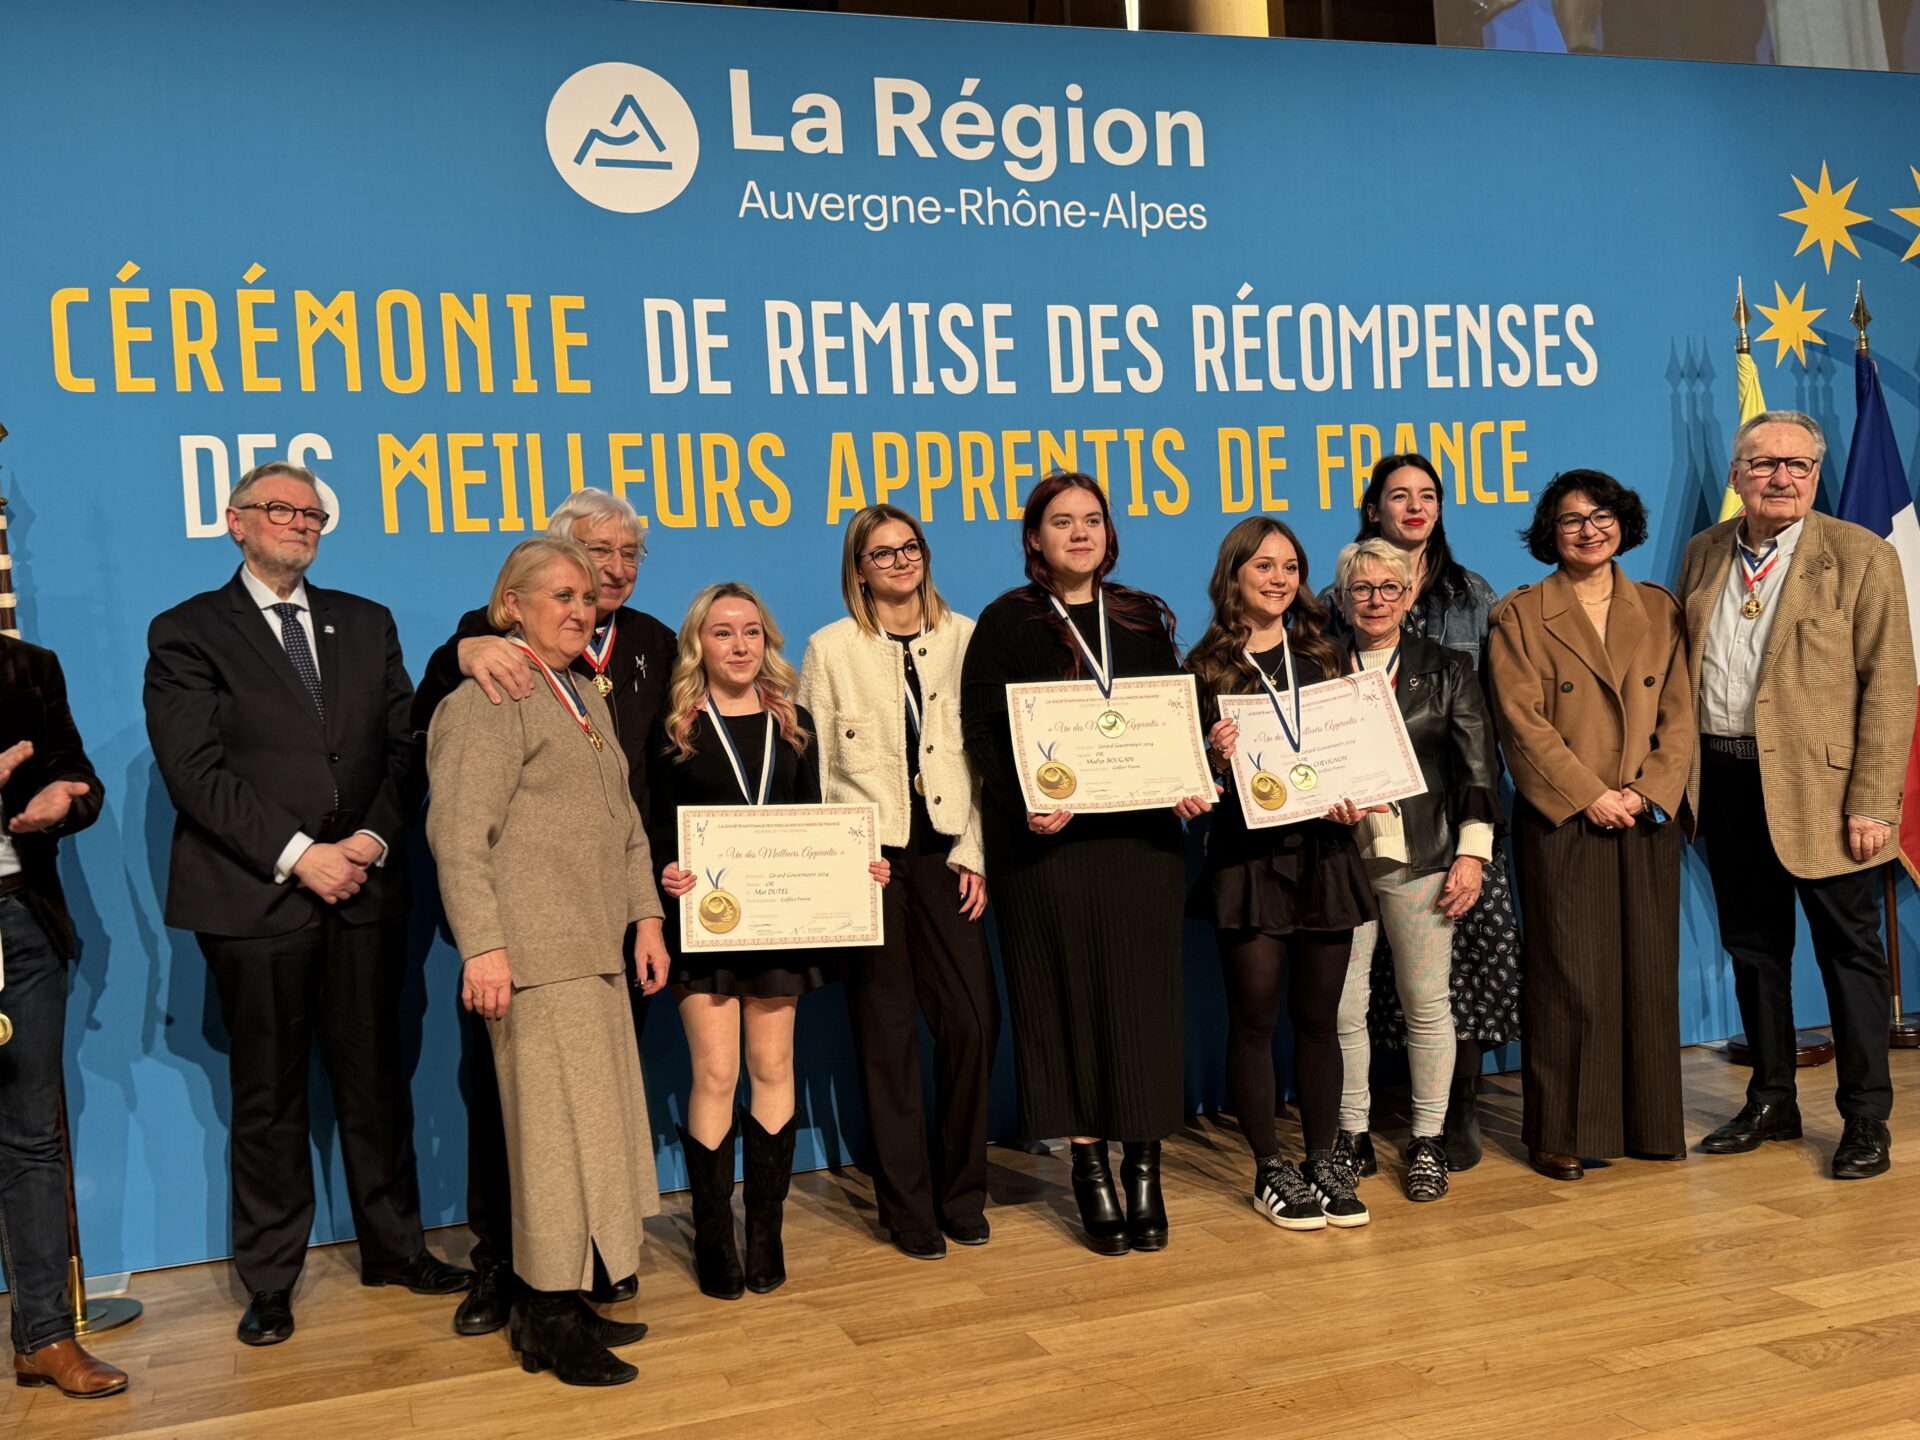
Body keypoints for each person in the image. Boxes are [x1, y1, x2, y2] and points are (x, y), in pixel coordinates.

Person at [144, 462, 469, 1346]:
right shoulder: (187, 632)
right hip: (256, 901)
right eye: (279, 509)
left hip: (366, 891)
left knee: (378, 1086)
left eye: (313, 512)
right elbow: (195, 773)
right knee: (269, 1099)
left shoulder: (366, 622)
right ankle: (273, 1280)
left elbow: (408, 751)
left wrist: (365, 843)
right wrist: (300, 856)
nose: (299, 523)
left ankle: (396, 1249)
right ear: (235, 522)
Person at [411, 488, 673, 1333]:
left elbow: (626, 822)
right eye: (563, 593)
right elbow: (457, 833)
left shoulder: (584, 697)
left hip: (594, 951)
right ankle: (546, 1318)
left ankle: (577, 1294)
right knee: (546, 1146)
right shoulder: (486, 692)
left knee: (590, 1136)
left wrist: (646, 917)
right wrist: (483, 947)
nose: (584, 604)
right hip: (531, 954)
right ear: (508, 609)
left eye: (586, 597)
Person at [959, 472, 1211, 1256]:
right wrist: (1022, 798)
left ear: (1109, 534)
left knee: (1142, 1006)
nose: (1079, 534)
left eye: (1092, 520)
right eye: (1061, 522)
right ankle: (1089, 1169)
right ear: (1033, 538)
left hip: (1139, 847)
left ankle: (1145, 1168)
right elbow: (984, 732)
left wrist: (1197, 763)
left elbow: (1166, 717)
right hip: (1050, 850)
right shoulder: (1007, 621)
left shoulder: (1139, 615)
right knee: (1061, 1005)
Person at [1680, 410, 1916, 1181]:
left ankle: (1865, 1119)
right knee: (1754, 951)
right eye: (1764, 465)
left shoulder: (1859, 554)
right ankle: (1772, 1098)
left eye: (1798, 466)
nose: (1782, 478)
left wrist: (1875, 800)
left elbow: (1889, 686)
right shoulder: (1704, 553)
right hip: (1726, 778)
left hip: (1826, 791)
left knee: (1850, 954)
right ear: (1737, 477)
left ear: (1816, 475)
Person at [649, 583, 890, 1300]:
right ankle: (715, 1236)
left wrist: (856, 866)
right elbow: (654, 824)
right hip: (709, 924)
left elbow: (812, 822)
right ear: (701, 645)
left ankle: (766, 1230)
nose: (739, 645)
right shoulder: (676, 729)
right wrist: (665, 867)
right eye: (722, 633)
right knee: (716, 1074)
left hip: (782, 926)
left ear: (767, 641)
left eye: (751, 631)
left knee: (773, 1067)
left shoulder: (795, 723)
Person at [797, 505, 998, 1261]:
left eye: (910, 547)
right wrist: (839, 861)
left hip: (948, 853)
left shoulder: (966, 637)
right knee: (886, 1037)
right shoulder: (830, 650)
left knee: (974, 1025)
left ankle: (961, 1192)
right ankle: (907, 1207)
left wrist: (976, 852)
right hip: (870, 859)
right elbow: (814, 772)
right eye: (883, 554)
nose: (901, 562)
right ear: (859, 569)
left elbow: (985, 758)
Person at [1488, 470, 1693, 1181]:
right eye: (1572, 519)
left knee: (1645, 970)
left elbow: (1680, 715)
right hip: (1564, 816)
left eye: (1602, 515)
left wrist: (1646, 791)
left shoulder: (1660, 610)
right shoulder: (1519, 615)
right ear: (1551, 530)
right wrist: (1588, 794)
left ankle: (1651, 1124)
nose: (1588, 529)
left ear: (1623, 523)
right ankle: (1563, 1131)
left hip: (1645, 815)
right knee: (1570, 977)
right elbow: (1522, 725)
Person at [1325, 451, 1519, 1173]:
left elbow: (1476, 771)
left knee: (1426, 1002)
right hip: (1341, 860)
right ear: (1341, 598)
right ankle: (1351, 1133)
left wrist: (1472, 853)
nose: (1375, 599)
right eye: (1361, 588)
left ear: (1411, 594)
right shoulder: (1320, 670)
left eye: (1388, 588)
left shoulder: (1448, 668)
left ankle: (1429, 1140)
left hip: (1425, 856)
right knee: (1344, 1010)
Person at [1186, 519, 1377, 1232]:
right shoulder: (1203, 667)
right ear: (1234, 574)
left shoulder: (1326, 655)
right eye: (1263, 566)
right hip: (1249, 859)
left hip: (1325, 853)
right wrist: (1210, 754)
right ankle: (1270, 1166)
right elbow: (1191, 785)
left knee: (1319, 1020)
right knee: (1255, 1019)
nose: (1278, 578)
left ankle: (1323, 1158)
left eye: (1290, 567)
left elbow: (1352, 752)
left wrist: (1357, 790)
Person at [0, 638, 125, 1398]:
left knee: (30, 1138)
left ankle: (44, 1335)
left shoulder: (29, 667)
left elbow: (83, 781)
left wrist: (63, 803)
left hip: (21, 924)